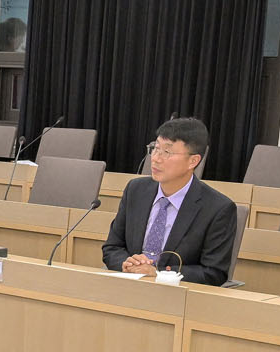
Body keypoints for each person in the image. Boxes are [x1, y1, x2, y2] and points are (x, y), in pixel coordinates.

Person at [99, 117, 241, 286]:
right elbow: (112, 248)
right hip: (128, 287)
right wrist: (127, 264)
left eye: (167, 152)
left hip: (177, 295)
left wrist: (158, 273)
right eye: (155, 148)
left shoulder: (218, 208)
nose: (155, 158)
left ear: (193, 161)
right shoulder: (136, 190)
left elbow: (214, 272)